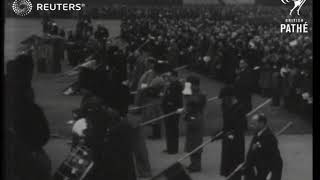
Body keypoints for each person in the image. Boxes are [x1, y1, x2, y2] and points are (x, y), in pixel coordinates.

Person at [219, 85, 247, 180]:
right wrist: (220, 133)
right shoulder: (225, 106)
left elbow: (243, 127)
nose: (222, 100)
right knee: (227, 166)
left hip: (237, 142)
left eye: (224, 98)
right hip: (227, 142)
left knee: (235, 167)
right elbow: (225, 125)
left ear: (230, 97)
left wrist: (232, 133)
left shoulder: (239, 108)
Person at [244, 114, 283, 180]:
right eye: (251, 123)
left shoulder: (270, 137)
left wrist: (258, 147)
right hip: (261, 168)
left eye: (254, 124)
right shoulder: (257, 134)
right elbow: (251, 152)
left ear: (261, 123)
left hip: (272, 169)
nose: (251, 126)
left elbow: (268, 156)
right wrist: (247, 165)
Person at [180, 75, 207, 172]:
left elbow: (193, 102)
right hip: (191, 118)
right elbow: (186, 99)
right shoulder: (192, 92)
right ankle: (193, 163)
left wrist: (187, 91)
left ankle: (197, 165)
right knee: (190, 142)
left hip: (197, 118)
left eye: (189, 84)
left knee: (196, 143)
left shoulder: (201, 93)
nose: (188, 86)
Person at [161, 70, 183, 154]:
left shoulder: (176, 85)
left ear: (175, 76)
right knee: (169, 130)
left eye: (170, 76)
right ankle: (170, 147)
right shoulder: (172, 84)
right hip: (169, 110)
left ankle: (173, 149)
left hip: (172, 110)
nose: (168, 77)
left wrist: (167, 104)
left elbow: (173, 99)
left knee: (172, 129)